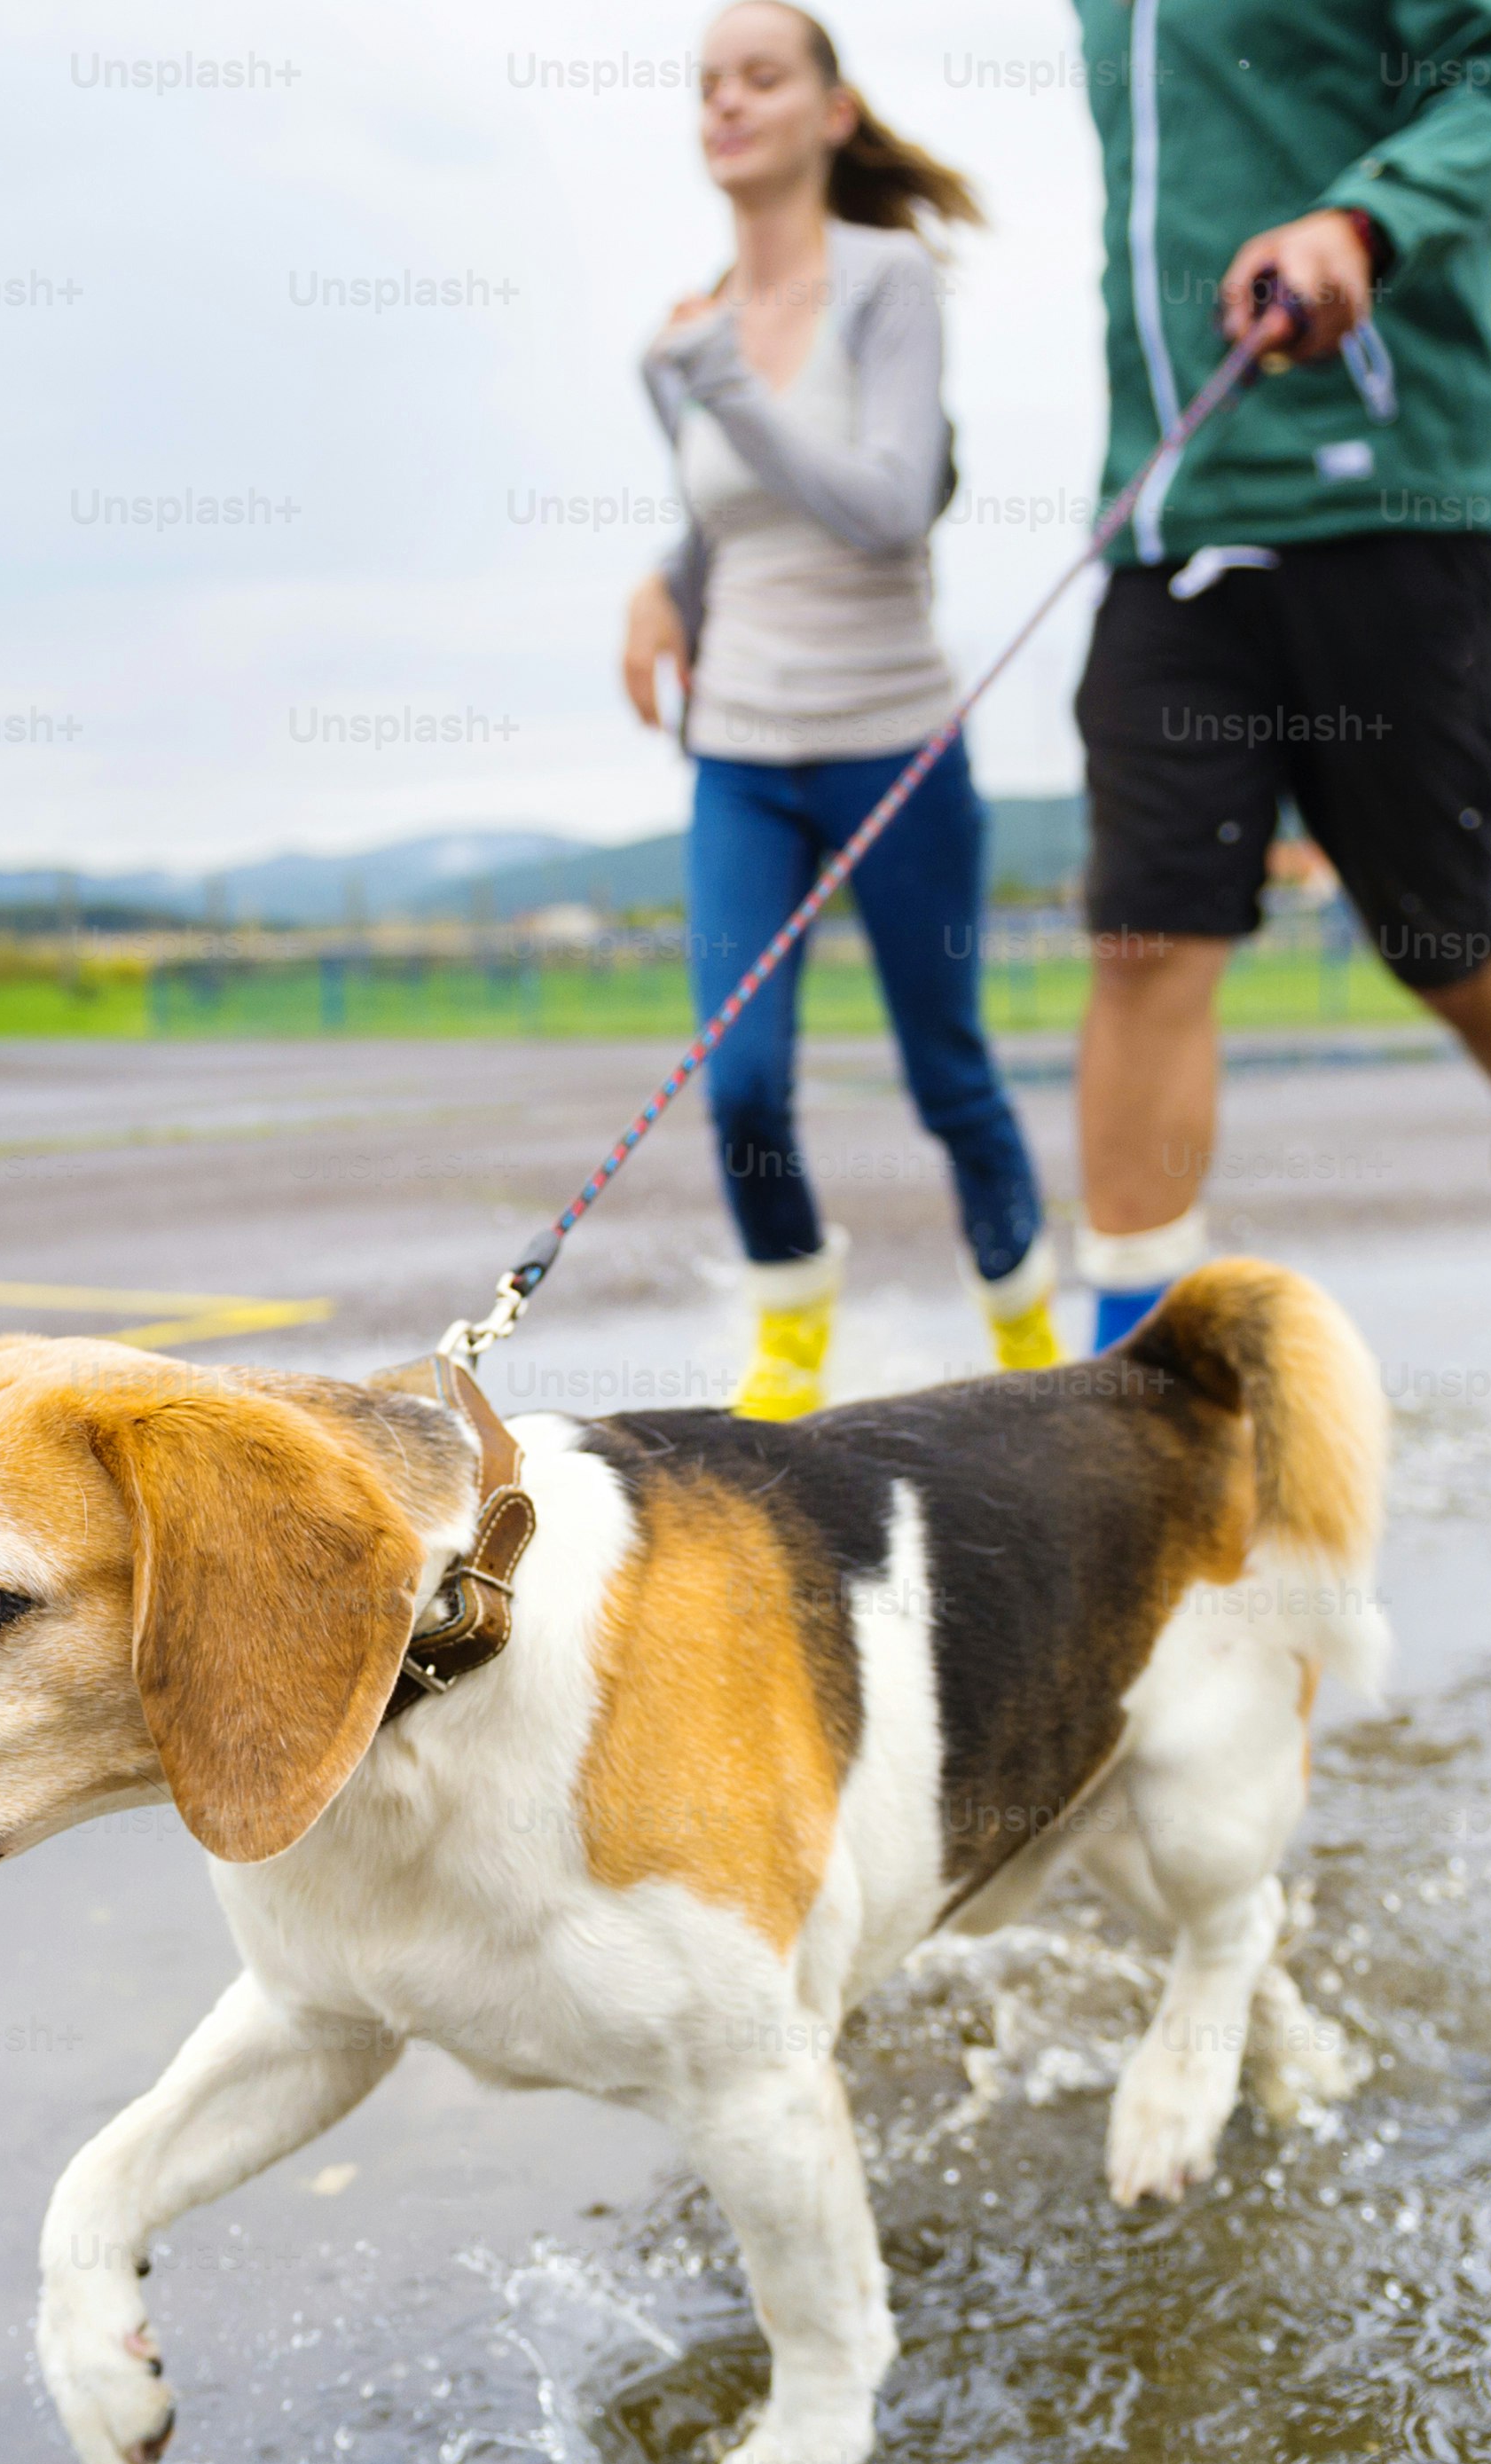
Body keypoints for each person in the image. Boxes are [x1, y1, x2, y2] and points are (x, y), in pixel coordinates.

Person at [1065, 0, 1491, 1437]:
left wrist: (1363, 218)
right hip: (1175, 516)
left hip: (1389, 494)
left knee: (1445, 937)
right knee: (1146, 935)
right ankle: (1125, 1407)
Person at [626, 2, 1055, 1424]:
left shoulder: (887, 287)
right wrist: (659, 586)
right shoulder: (683, 339)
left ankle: (1034, 1356)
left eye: (761, 77)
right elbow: (726, 521)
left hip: (895, 741)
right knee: (741, 1084)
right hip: (743, 749)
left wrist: (730, 386)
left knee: (950, 1077)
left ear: (834, 112)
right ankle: (791, 1342)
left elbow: (880, 508)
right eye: (706, 86)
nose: (727, 105)